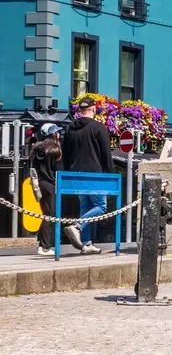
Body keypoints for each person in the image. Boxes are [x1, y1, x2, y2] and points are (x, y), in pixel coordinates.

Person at [60, 95, 109, 253]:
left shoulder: (69, 129)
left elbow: (65, 154)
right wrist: (109, 174)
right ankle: (77, 226)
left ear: (80, 110)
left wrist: (68, 171)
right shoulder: (98, 128)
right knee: (101, 206)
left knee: (85, 206)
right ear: (94, 109)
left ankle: (87, 243)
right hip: (94, 174)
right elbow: (105, 155)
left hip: (75, 173)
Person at [28, 124, 85, 256]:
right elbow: (59, 170)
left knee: (47, 212)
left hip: (41, 184)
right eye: (57, 132)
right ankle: (45, 247)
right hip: (52, 184)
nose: (59, 134)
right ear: (54, 134)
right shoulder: (55, 150)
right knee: (51, 214)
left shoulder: (37, 149)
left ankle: (43, 243)